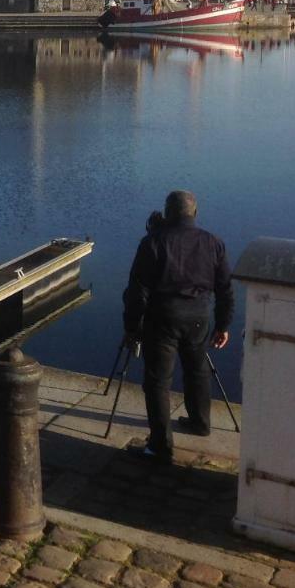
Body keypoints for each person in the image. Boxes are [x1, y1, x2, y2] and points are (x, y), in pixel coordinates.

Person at [123, 190, 233, 464]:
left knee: (158, 381)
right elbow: (225, 289)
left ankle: (160, 446)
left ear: (167, 213)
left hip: (163, 319)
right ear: (194, 213)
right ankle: (200, 422)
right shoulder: (213, 243)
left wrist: (132, 327)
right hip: (199, 317)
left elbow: (138, 291)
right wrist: (223, 325)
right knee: (197, 371)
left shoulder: (152, 243)